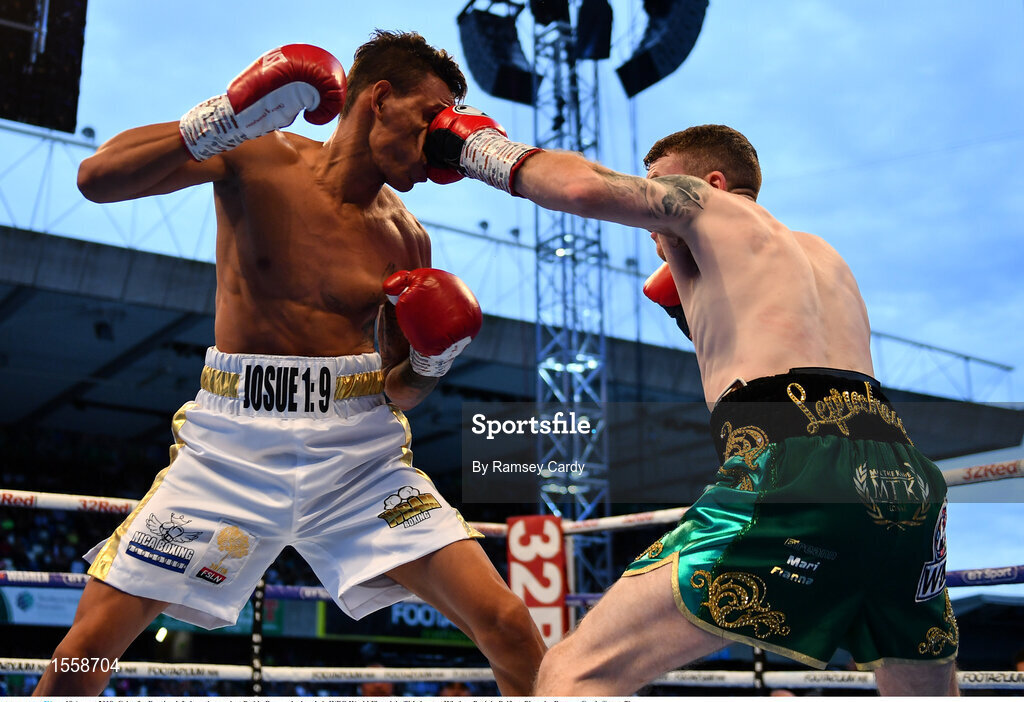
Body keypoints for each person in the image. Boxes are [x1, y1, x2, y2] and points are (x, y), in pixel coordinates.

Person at [33, 33, 545, 696]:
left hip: (358, 459)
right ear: (380, 99)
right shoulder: (257, 155)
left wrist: (431, 360)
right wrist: (226, 115)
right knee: (86, 652)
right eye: (431, 118)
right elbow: (96, 179)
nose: (442, 142)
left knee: (506, 624)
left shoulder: (406, 237)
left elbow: (399, 391)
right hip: (230, 452)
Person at [424, 109, 959, 695]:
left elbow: (578, 187)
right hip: (907, 481)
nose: (649, 210)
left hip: (794, 472)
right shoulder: (820, 255)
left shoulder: (704, 204)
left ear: (713, 182)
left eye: (656, 179)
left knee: (572, 671)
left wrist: (474, 147)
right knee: (921, 690)